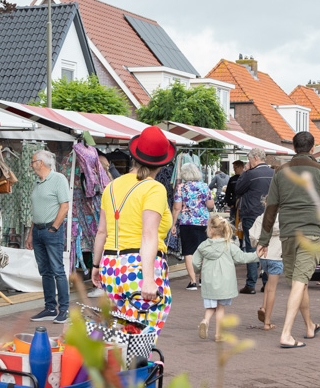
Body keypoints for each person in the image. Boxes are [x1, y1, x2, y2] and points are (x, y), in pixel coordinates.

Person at [91, 126, 175, 342]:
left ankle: (115, 364)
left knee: (119, 336)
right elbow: (148, 235)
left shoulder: (111, 186)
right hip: (138, 267)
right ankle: (136, 364)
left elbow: (102, 231)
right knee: (141, 339)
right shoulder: (154, 188)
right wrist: (148, 279)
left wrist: (96, 265)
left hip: (111, 266)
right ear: (162, 163)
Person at [256, 131, 320, 349]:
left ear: (293, 148)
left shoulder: (281, 172)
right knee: (300, 282)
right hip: (311, 232)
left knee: (298, 283)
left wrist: (264, 240)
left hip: (288, 233)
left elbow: (271, 208)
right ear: (313, 149)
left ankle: (310, 325)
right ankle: (286, 334)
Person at [191, 213, 259, 341]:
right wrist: (257, 255)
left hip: (209, 281)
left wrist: (198, 270)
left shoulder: (203, 246)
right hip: (225, 282)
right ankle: (218, 335)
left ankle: (205, 320)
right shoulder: (229, 245)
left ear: (211, 230)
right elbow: (242, 258)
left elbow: (195, 262)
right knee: (220, 308)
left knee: (210, 306)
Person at [28, 150, 71, 325]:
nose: (31, 165)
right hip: (38, 230)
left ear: (41, 163)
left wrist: (54, 227)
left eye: (33, 161)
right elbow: (35, 211)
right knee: (45, 271)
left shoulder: (58, 179)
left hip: (51, 230)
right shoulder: (37, 183)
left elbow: (65, 206)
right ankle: (50, 308)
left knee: (57, 270)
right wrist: (30, 234)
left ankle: (64, 310)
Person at [236, 148, 275, 294]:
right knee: (267, 247)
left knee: (251, 246)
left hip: (251, 213)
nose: (249, 162)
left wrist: (245, 172)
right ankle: (266, 283)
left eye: (249, 159)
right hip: (269, 213)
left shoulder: (250, 174)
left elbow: (238, 189)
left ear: (256, 158)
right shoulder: (274, 173)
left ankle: (251, 284)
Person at [173, 161, 215, 289]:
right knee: (203, 251)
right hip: (203, 222)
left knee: (189, 251)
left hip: (187, 222)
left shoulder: (181, 187)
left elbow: (177, 208)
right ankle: (202, 279)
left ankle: (192, 282)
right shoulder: (204, 186)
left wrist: (173, 224)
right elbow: (210, 205)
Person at [248, 213, 282, 330]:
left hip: (264, 255)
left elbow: (253, 235)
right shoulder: (283, 216)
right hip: (277, 255)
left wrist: (258, 243)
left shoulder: (261, 217)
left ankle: (263, 307)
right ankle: (267, 322)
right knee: (272, 288)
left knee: (268, 283)